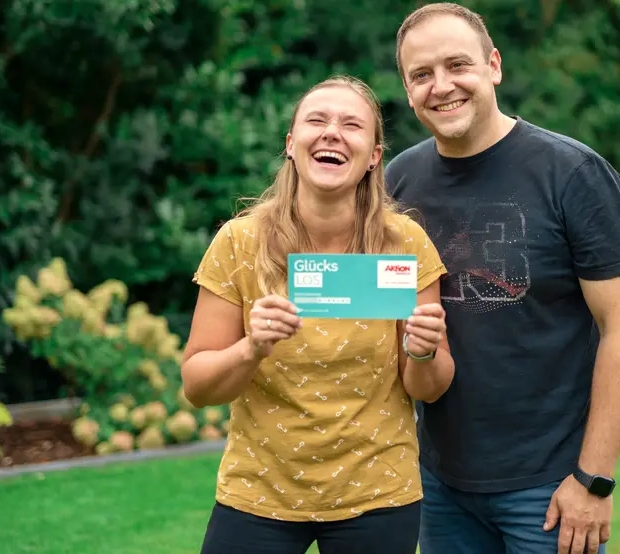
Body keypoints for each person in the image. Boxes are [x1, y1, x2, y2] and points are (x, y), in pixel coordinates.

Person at [386, 4, 620, 554]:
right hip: (439, 484)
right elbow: (381, 313)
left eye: (457, 65)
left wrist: (593, 479)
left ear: (494, 66)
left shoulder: (574, 175)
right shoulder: (399, 180)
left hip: (550, 490)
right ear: (407, 90)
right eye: (421, 75)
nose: (442, 87)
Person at [181, 75, 454, 554]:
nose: (332, 132)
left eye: (352, 124)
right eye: (317, 120)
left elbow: (426, 387)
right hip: (259, 492)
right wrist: (251, 347)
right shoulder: (239, 243)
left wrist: (424, 350)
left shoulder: (404, 243)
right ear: (291, 144)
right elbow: (197, 386)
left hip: (378, 492)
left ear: (373, 155)